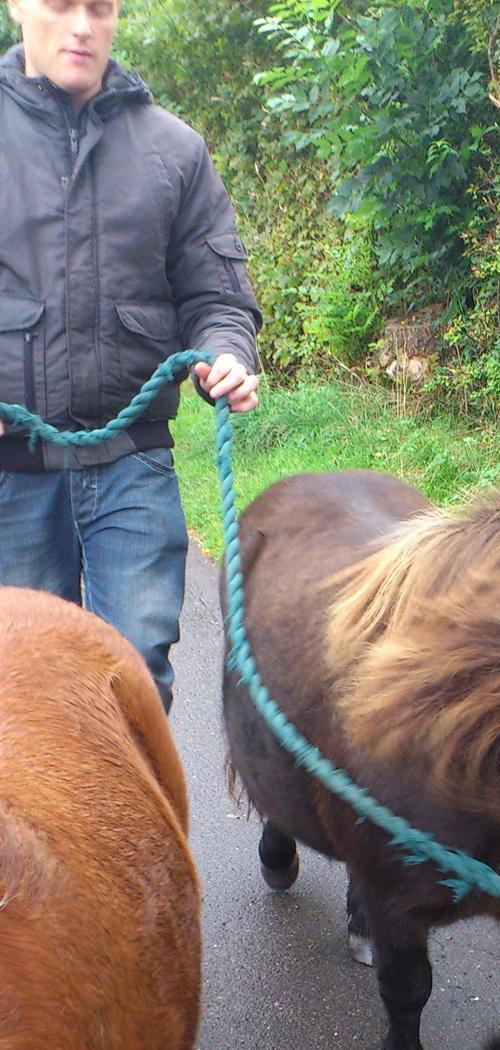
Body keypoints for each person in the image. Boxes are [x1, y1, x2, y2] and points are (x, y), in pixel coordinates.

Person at [0, 0, 261, 710]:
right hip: (9, 476)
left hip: (132, 466)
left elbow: (218, 297)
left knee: (134, 681)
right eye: (61, 4)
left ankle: (128, 826)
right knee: (24, 692)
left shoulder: (174, 150)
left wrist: (226, 352)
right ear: (18, 6)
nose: (82, 24)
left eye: (101, 7)